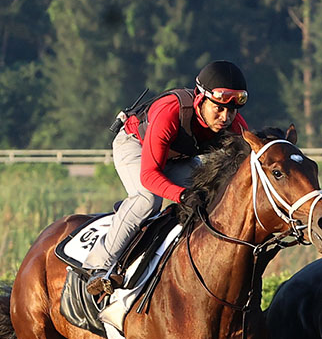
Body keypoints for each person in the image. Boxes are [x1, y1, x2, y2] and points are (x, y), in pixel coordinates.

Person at [80, 60, 250, 299]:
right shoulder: (170, 111)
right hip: (134, 146)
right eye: (219, 109)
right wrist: (181, 195)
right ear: (200, 99)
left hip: (176, 158)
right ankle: (97, 268)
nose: (225, 117)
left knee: (214, 192)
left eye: (232, 110)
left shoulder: (233, 122)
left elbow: (252, 155)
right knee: (148, 199)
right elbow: (150, 175)